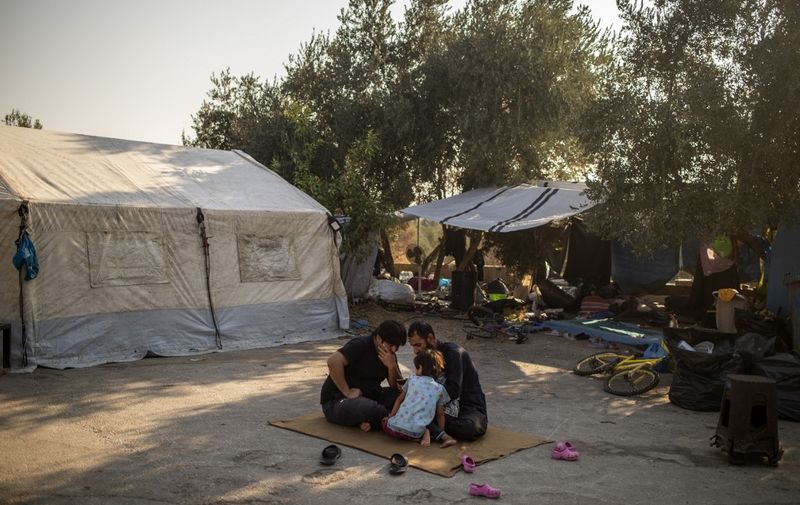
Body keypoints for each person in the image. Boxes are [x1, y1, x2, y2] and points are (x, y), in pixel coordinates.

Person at [407, 321, 488, 441]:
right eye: (413, 346)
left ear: (430, 338)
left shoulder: (454, 353)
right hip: (440, 408)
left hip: (467, 407)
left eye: (418, 345)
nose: (416, 351)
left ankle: (430, 427)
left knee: (470, 428)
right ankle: (432, 427)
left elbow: (454, 390)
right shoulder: (424, 357)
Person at [320, 320, 406, 432]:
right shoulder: (361, 344)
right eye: (391, 345)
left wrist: (391, 367)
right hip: (338, 401)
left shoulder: (390, 355)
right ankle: (393, 420)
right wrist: (347, 392)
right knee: (367, 408)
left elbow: (396, 386)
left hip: (371, 396)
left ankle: (374, 421)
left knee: (404, 396)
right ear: (379, 338)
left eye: (397, 347)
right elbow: (333, 361)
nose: (394, 350)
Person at [382, 349, 457, 448]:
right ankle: (430, 434)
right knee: (421, 423)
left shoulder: (412, 380)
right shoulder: (439, 389)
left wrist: (391, 415)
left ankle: (420, 435)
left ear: (420, 367)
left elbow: (399, 399)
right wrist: (441, 432)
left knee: (384, 422)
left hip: (395, 428)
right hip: (417, 430)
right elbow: (440, 414)